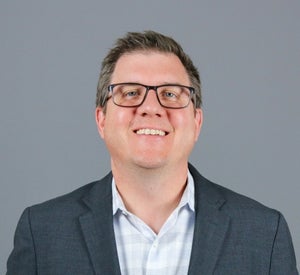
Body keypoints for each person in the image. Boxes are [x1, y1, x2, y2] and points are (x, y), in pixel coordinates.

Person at [7, 30, 298, 275]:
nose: (151, 107)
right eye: (130, 92)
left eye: (170, 94)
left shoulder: (264, 235)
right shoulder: (42, 232)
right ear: (101, 120)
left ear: (196, 122)